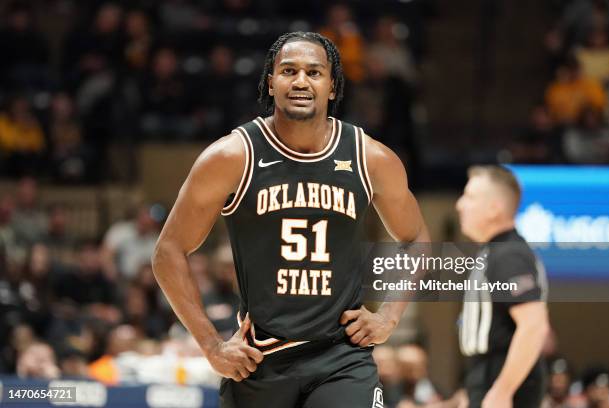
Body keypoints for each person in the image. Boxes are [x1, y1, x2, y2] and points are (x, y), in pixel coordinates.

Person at [152, 31, 429, 408]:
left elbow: (416, 239)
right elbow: (168, 251)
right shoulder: (232, 156)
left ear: (333, 86)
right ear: (271, 82)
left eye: (314, 72)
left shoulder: (370, 158)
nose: (301, 81)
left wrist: (389, 317)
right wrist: (212, 345)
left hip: (341, 357)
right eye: (289, 70)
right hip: (259, 362)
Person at [455, 165, 550, 408]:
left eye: (470, 197)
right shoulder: (496, 251)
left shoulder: (508, 254)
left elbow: (533, 325)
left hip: (502, 376)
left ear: (494, 208)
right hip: (486, 374)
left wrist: (502, 390)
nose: (460, 204)